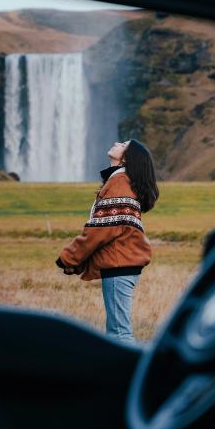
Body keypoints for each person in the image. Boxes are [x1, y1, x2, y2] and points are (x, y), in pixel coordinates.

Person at [55, 139, 159, 345]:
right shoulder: (122, 181)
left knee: (119, 332)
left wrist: (69, 258)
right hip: (123, 264)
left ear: (126, 158)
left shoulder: (120, 182)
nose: (116, 142)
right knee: (117, 329)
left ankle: (129, 372)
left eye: (123, 144)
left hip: (119, 265)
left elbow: (101, 229)